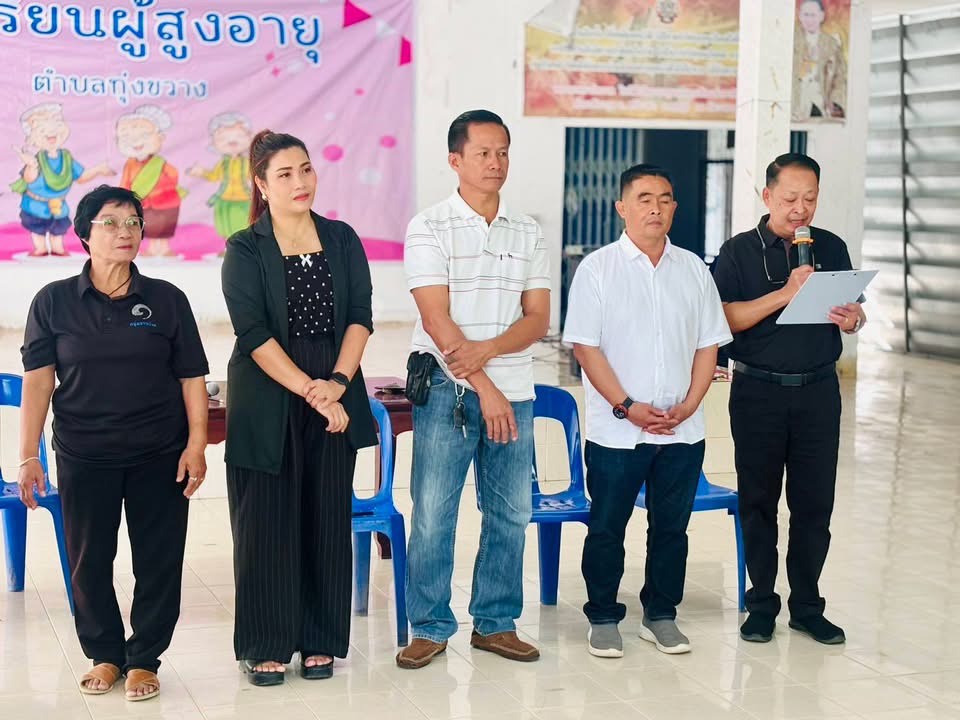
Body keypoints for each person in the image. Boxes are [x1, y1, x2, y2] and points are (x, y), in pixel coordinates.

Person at [17, 184, 209, 701]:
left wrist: (196, 444)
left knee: (158, 560)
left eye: (133, 222)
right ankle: (104, 654)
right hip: (84, 453)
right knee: (89, 561)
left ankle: (144, 658)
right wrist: (29, 454)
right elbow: (39, 381)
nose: (125, 232)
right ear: (84, 233)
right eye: (110, 222)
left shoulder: (167, 300)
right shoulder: (53, 301)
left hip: (159, 452)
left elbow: (192, 377)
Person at [221, 130, 377, 685]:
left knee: (325, 517)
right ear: (261, 185)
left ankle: (319, 639)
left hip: (334, 386)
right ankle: (265, 642)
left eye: (306, 169)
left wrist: (337, 382)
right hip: (269, 393)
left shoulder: (341, 238)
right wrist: (313, 390)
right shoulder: (244, 248)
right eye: (285, 174)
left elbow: (360, 315)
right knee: (265, 522)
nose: (300, 181)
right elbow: (253, 333)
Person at [397, 110, 551, 669]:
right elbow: (436, 319)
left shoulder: (528, 230)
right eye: (483, 152)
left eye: (503, 152)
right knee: (434, 514)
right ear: (455, 160)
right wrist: (484, 385)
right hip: (448, 390)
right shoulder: (429, 226)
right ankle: (430, 626)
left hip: (515, 391)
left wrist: (487, 354)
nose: (495, 162)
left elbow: (538, 318)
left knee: (511, 513)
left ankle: (495, 623)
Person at [563, 164, 731, 658]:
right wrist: (628, 406)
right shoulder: (598, 269)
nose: (655, 208)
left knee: (671, 529)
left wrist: (691, 404)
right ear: (622, 207)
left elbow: (708, 344)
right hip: (618, 431)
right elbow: (586, 348)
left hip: (682, 429)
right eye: (644, 199)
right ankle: (602, 616)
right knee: (607, 526)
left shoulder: (694, 269)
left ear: (674, 207)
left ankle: (661, 614)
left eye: (664, 198)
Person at [711, 153, 866, 645]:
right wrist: (786, 293)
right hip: (757, 391)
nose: (801, 209)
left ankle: (807, 605)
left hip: (819, 392)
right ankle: (760, 603)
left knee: (814, 503)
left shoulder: (831, 246)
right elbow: (723, 319)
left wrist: (854, 320)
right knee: (758, 501)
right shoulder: (737, 252)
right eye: (790, 198)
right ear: (767, 196)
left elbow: (852, 309)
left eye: (810, 199)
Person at [9, 103, 112, 256]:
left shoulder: (66, 157)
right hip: (35, 206)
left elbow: (81, 177)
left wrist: (98, 170)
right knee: (38, 230)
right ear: (32, 138)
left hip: (59, 206)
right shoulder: (36, 160)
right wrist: (31, 165)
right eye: (42, 129)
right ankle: (40, 248)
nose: (51, 132)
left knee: (58, 231)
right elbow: (29, 179)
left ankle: (58, 250)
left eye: (56, 125)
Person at [117, 105, 185, 257]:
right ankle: (153, 249)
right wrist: (123, 198)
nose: (136, 141)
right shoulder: (130, 164)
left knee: (165, 226)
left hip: (166, 203)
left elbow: (173, 175)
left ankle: (165, 248)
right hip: (144, 203)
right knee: (149, 226)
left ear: (160, 138)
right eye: (128, 137)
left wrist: (162, 190)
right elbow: (125, 182)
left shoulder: (160, 163)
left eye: (144, 135)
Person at [792, 0, 847, 121]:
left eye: (813, 15)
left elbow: (840, 77)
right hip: (795, 103)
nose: (809, 20)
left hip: (821, 103)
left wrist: (836, 102)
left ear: (821, 16)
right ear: (800, 16)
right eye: (806, 15)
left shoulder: (831, 44)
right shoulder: (790, 39)